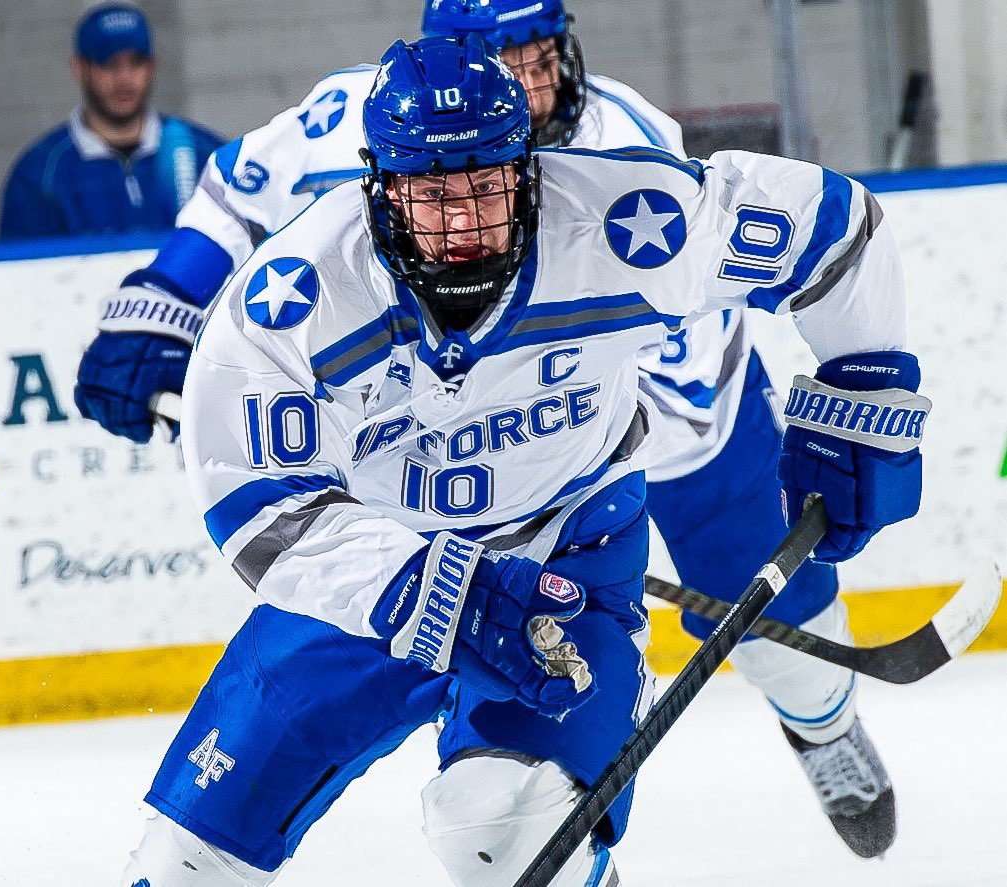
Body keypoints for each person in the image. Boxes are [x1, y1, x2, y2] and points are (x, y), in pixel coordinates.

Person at [78, 0, 900, 857]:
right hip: (416, 505)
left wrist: (853, 400)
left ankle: (821, 721)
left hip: (680, 422)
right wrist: (167, 296)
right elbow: (242, 185)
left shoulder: (624, 160)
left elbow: (777, 266)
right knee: (190, 853)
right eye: (499, 59)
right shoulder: (382, 123)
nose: (526, 82)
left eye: (539, 55)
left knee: (770, 611)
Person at [0, 3, 222, 240]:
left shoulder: (206, 155)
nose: (124, 78)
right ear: (79, 68)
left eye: (135, 63)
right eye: (109, 64)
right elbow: (20, 271)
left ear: (152, 66)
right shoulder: (38, 175)